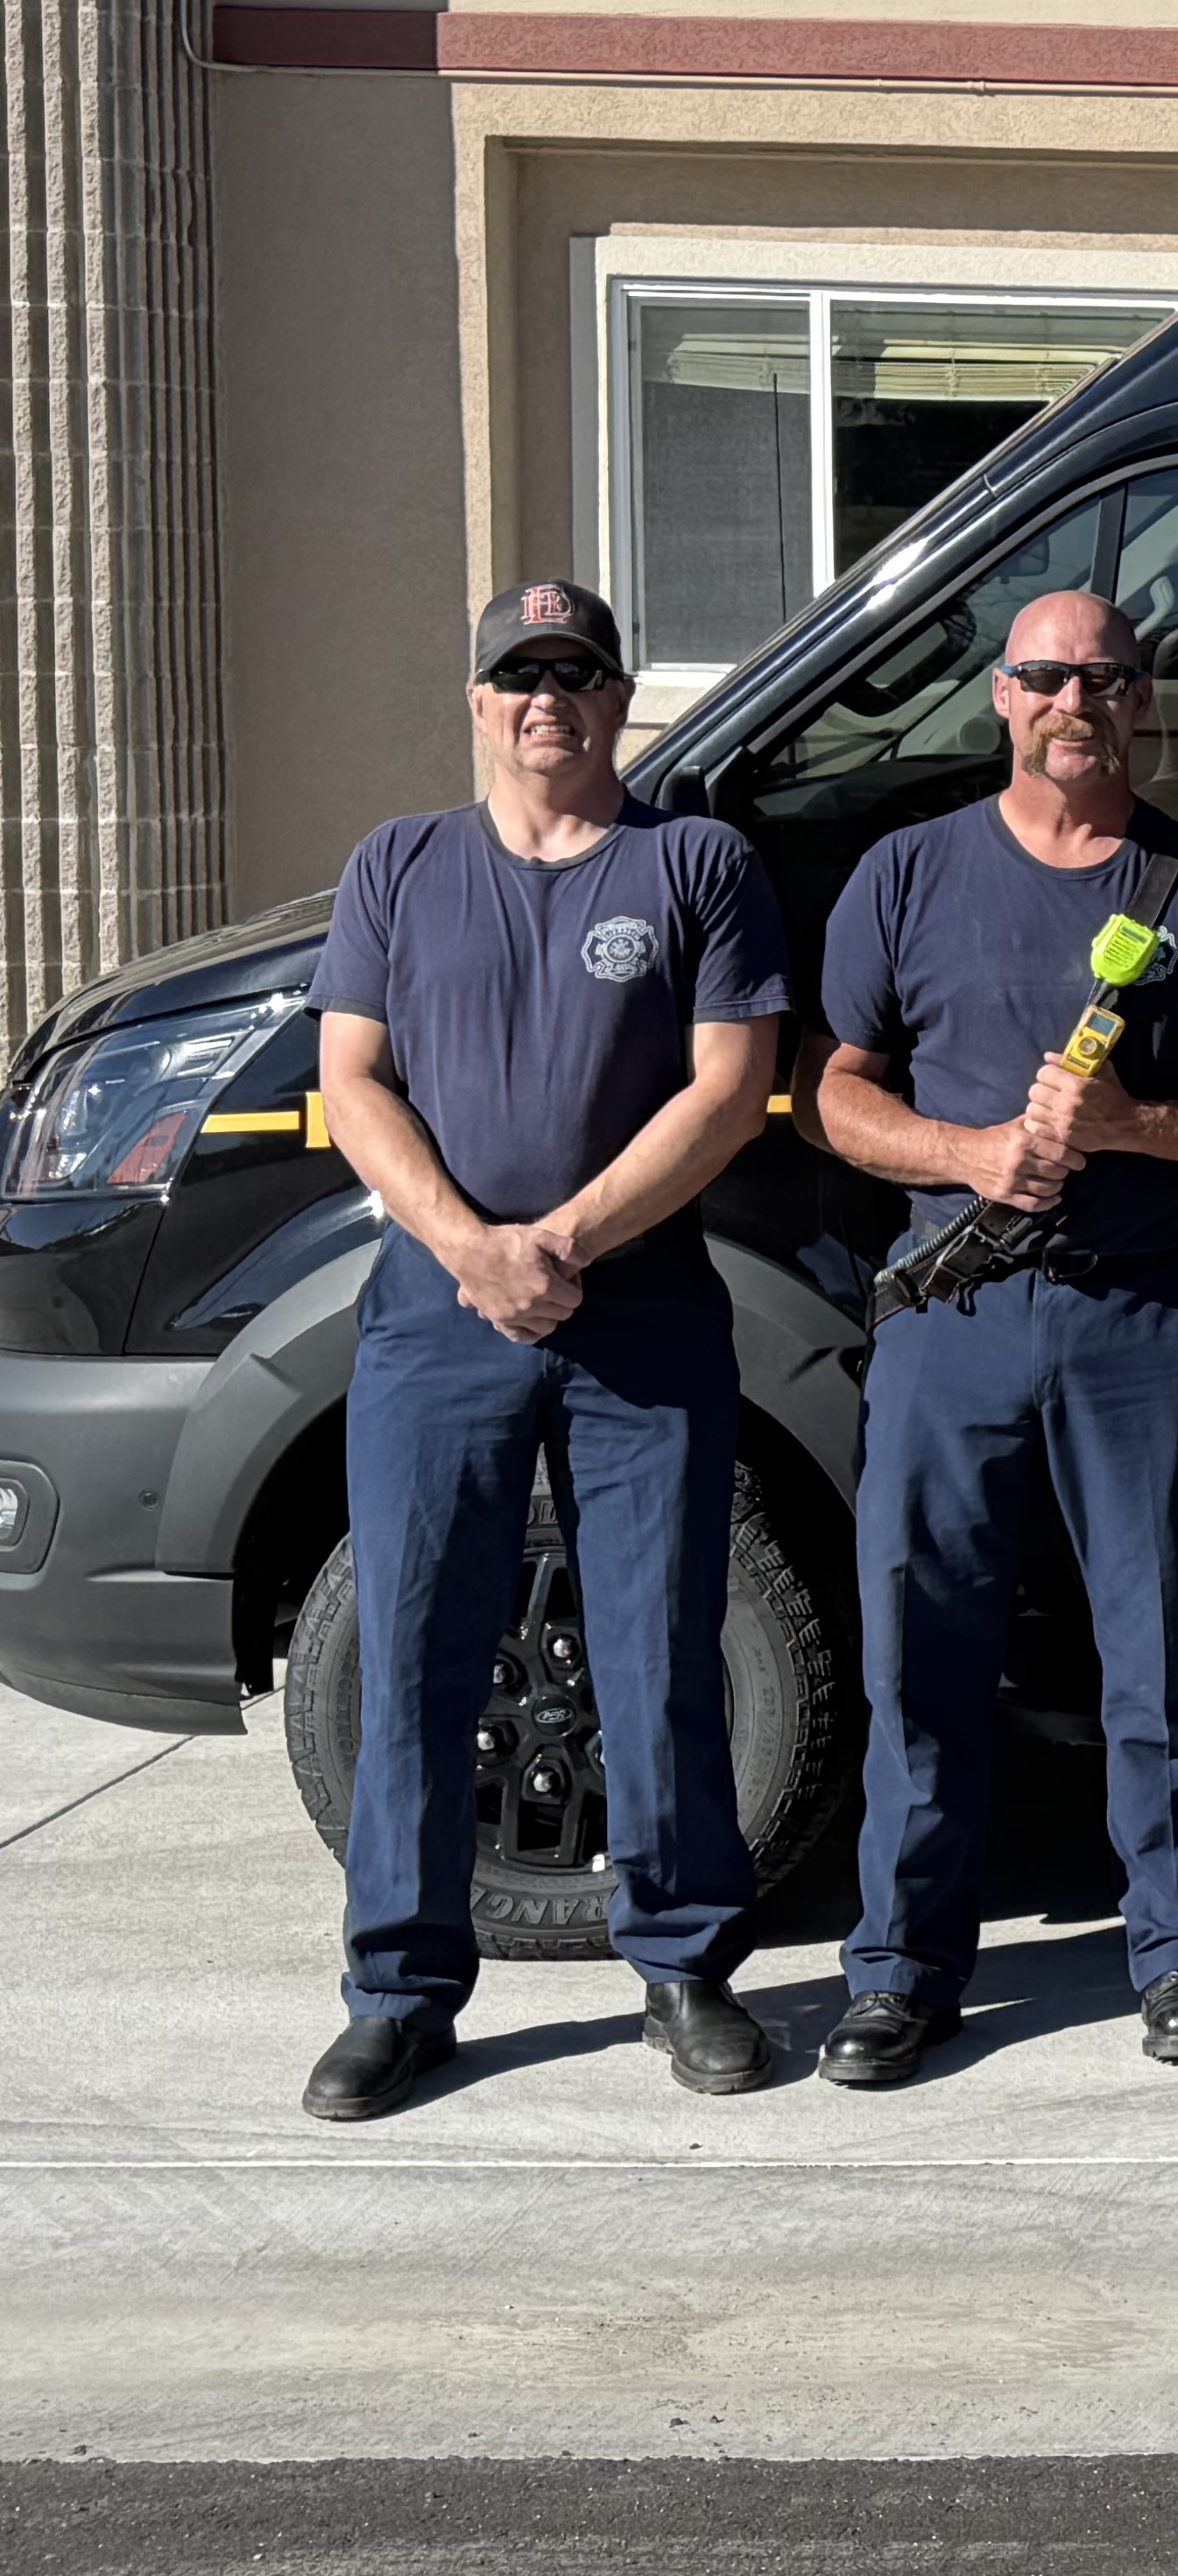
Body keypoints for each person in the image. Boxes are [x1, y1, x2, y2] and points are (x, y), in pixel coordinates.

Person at [808, 589, 1178, 2086]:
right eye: (1045, 676)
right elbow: (832, 1093)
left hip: (1145, 1320)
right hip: (952, 1311)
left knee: (1161, 1653)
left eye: (1103, 678)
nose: (1073, 702)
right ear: (1001, 696)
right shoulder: (906, 874)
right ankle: (903, 1970)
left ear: (1139, 701)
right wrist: (970, 1154)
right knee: (922, 1652)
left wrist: (1136, 1127)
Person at [297, 582, 789, 2121]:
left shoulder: (695, 863)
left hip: (637, 1312)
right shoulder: (399, 865)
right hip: (437, 1314)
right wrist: (469, 1247)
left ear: (619, 696)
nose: (545, 700)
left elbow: (728, 1089)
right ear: (478, 699)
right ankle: (402, 1989)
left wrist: (560, 1242)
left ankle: (687, 1967)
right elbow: (351, 1081)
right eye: (519, 675)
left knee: (658, 1650)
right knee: (423, 1645)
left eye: (574, 672)